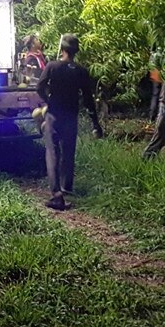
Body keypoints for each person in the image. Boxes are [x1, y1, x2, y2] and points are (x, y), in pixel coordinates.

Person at [36, 33, 103, 211]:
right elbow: (88, 98)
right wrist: (95, 123)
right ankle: (67, 188)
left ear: (63, 49)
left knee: (52, 152)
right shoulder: (81, 71)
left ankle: (56, 194)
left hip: (53, 114)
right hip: (70, 116)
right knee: (68, 151)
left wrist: (48, 99)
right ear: (76, 51)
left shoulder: (52, 66)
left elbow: (40, 86)